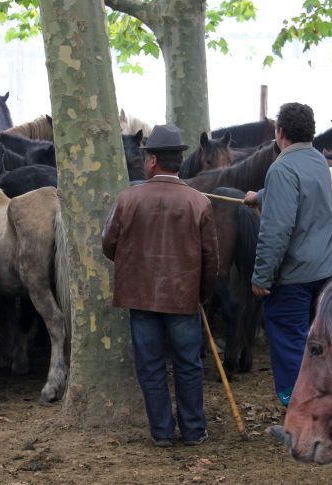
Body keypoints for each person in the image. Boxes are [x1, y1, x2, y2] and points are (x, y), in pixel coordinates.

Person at [102, 124, 219, 447]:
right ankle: (194, 430)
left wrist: (132, 263)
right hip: (183, 299)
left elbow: (107, 244)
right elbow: (212, 259)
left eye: (145, 157)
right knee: (189, 365)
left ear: (153, 160)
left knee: (151, 367)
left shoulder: (128, 199)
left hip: (140, 298)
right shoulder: (198, 202)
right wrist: (202, 295)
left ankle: (162, 432)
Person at [244, 103, 332, 407]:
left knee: (289, 344)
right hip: (326, 273)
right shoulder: (318, 161)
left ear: (280, 133)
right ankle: (323, 403)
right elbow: (302, 193)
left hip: (294, 278)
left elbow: (276, 230)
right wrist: (261, 196)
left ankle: (300, 415)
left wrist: (261, 277)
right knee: (318, 344)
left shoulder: (281, 169)